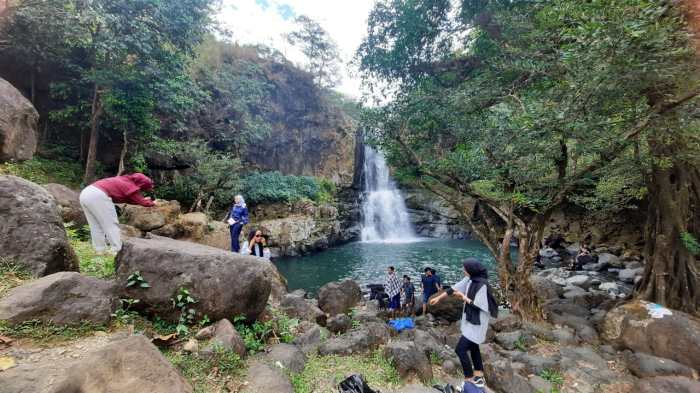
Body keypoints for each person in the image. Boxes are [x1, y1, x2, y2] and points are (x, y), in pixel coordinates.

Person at [430, 258, 498, 390]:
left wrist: (463, 297)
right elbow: (454, 288)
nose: (463, 270)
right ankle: (479, 376)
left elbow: (480, 306)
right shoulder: (470, 279)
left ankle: (469, 378)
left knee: (460, 349)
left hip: (477, 323)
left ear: (471, 270)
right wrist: (438, 298)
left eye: (464, 268)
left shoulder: (482, 285)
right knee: (473, 347)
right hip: (470, 320)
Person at [79, 173, 156, 254]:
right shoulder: (128, 185)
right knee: (111, 224)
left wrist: (143, 200)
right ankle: (117, 250)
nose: (140, 190)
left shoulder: (122, 180)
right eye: (143, 188)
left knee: (95, 226)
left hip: (86, 193)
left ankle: (99, 250)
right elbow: (143, 202)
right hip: (98, 195)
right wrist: (154, 203)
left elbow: (131, 200)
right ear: (141, 184)